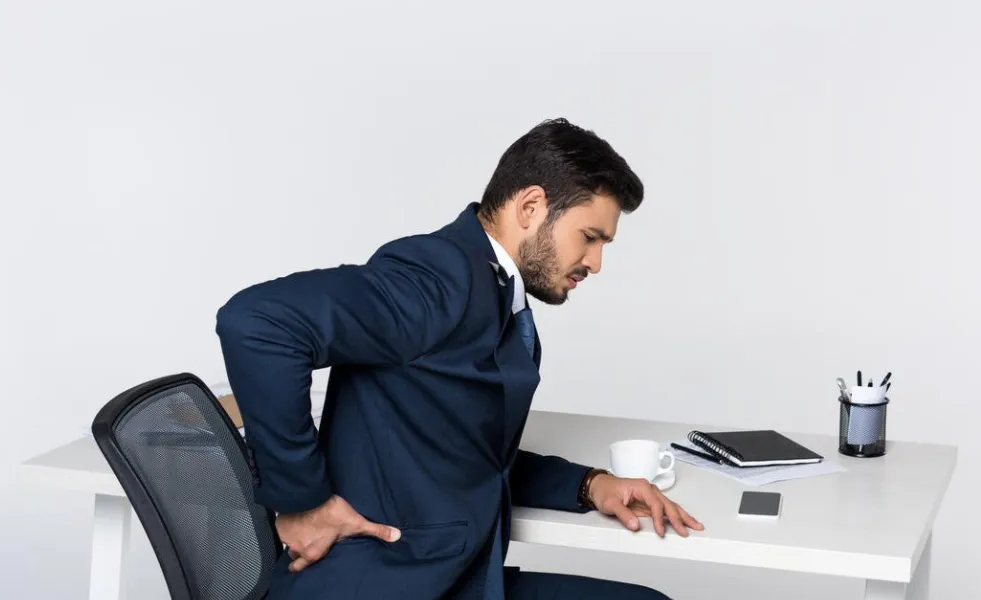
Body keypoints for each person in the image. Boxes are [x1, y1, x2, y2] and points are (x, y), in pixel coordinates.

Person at [215, 118, 702, 599]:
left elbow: (469, 455)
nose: (596, 262)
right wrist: (302, 502)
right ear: (531, 207)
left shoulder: (495, 291)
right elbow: (257, 323)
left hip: (454, 578)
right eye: (590, 237)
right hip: (383, 580)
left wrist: (589, 485)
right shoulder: (439, 278)